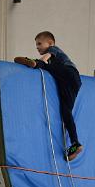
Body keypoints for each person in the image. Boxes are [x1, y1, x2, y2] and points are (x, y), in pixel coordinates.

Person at [14, 31, 83, 161]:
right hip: (72, 83)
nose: (37, 47)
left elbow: (49, 55)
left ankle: (34, 63)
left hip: (69, 72)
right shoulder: (53, 60)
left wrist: (41, 61)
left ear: (50, 43)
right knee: (66, 113)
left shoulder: (54, 49)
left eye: (39, 43)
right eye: (36, 45)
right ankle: (75, 143)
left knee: (45, 66)